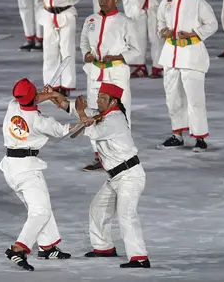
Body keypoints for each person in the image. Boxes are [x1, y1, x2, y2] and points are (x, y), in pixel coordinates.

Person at [49, 83, 150, 268]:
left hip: (130, 176)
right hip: (115, 177)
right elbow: (70, 107)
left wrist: (81, 113)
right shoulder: (102, 114)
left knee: (126, 215)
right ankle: (104, 248)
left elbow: (91, 130)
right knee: (98, 208)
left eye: (103, 98)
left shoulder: (115, 120)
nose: (98, 100)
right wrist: (53, 95)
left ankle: (140, 258)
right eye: (98, 97)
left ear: (114, 102)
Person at [0, 78, 81, 271]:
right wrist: (85, 121)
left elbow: (33, 100)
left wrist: (50, 95)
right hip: (27, 170)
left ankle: (47, 246)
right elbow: (67, 132)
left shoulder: (12, 106)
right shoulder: (40, 122)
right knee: (41, 211)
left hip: (11, 167)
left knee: (41, 205)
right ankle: (17, 249)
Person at [156, 0, 218, 151]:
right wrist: (163, 31)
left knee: (195, 98)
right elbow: (159, 22)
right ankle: (177, 134)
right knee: (172, 97)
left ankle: (200, 137)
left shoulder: (198, 2)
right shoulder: (166, 1)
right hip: (170, 55)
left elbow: (212, 24)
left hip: (191, 55)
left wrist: (192, 34)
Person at [80, 0, 140, 171]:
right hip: (96, 73)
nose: (102, 1)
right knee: (94, 112)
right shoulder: (91, 20)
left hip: (116, 74)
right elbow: (83, 42)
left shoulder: (125, 22)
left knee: (119, 114)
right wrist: (86, 54)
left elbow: (136, 50)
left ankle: (121, 156)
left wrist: (118, 56)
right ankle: (99, 155)